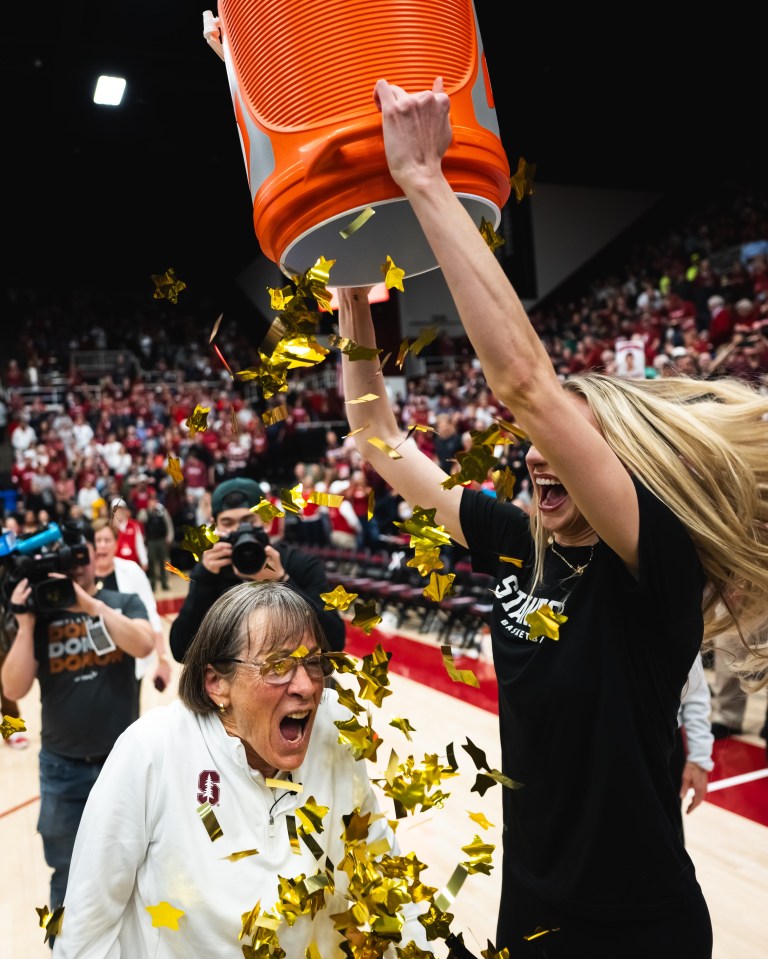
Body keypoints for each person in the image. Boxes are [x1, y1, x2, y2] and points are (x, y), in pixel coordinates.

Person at [333, 77, 768, 957]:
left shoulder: (658, 563)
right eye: (534, 446)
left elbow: (526, 386)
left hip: (642, 929)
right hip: (528, 910)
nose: (538, 454)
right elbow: (377, 436)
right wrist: (351, 306)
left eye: (569, 444)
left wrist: (424, 178)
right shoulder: (510, 536)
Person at [52, 581, 433, 958]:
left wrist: (420, 949)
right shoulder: (152, 750)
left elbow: (378, 858)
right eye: (278, 665)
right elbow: (85, 932)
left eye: (314, 662)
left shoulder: (335, 725)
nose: (305, 685)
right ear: (217, 684)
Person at [0, 523, 153, 928]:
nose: (77, 567)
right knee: (66, 873)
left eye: (81, 556)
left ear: (93, 559)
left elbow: (143, 643)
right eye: (68, 561)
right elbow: (13, 686)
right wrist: (27, 622)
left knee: (133, 866)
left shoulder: (122, 600)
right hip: (61, 769)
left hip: (121, 764)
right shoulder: (40, 617)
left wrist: (91, 606)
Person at [169, 478, 345, 662]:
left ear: (266, 520)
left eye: (248, 520)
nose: (239, 530)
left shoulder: (300, 564)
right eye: (228, 523)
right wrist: (205, 578)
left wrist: (283, 581)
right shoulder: (211, 571)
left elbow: (334, 642)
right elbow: (181, 651)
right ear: (215, 526)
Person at [92, 517, 172, 695]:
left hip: (130, 660)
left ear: (116, 543)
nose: (102, 545)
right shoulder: (82, 576)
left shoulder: (132, 571)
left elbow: (151, 614)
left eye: (107, 540)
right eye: (97, 541)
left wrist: (162, 658)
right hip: (92, 663)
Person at [671, 653, 715, 843]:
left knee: (668, 833)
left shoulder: (674, 624)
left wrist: (699, 759)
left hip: (665, 745)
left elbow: (695, 694)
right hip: (594, 740)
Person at [139, 490, 175, 592]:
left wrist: (169, 537)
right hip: (151, 541)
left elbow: (168, 524)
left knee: (163, 562)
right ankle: (153, 584)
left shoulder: (162, 511)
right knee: (152, 563)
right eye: (151, 501)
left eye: (154, 501)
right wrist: (149, 510)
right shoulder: (145, 512)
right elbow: (141, 520)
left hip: (161, 540)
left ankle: (164, 583)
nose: (153, 503)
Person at [110, 497, 149, 572]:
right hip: (117, 567)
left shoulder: (134, 525)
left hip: (133, 565)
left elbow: (139, 544)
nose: (119, 512)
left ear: (125, 510)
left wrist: (144, 561)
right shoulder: (110, 528)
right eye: (116, 509)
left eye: (121, 509)